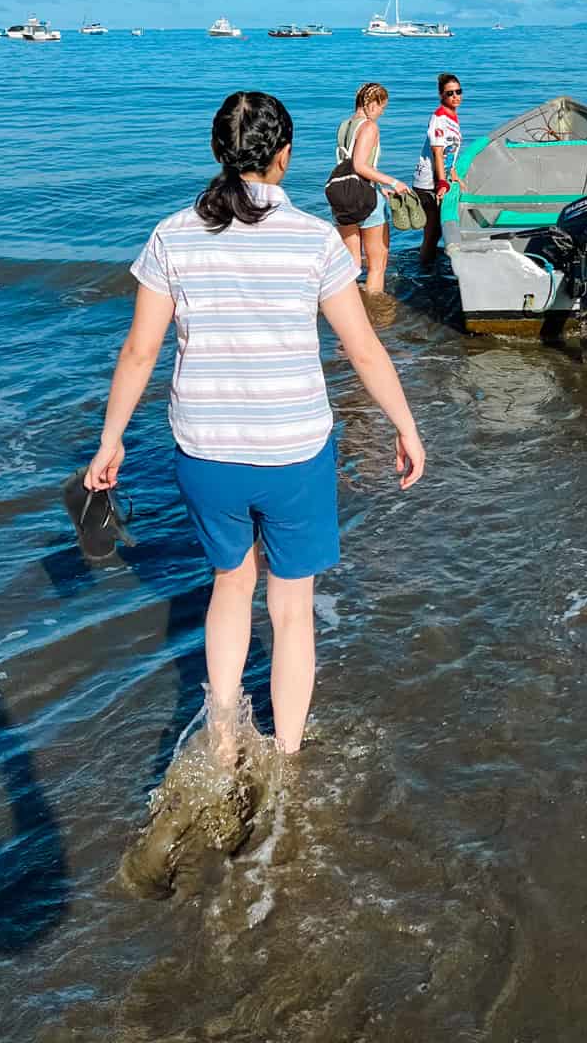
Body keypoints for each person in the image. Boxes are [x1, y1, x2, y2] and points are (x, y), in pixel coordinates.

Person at [83, 91, 425, 757]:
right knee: (292, 609)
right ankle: (289, 754)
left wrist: (111, 438)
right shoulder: (313, 240)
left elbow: (140, 350)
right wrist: (406, 427)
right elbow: (362, 346)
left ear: (219, 151)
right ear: (285, 155)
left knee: (230, 588)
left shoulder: (173, 235)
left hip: (205, 451)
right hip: (294, 449)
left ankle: (221, 738)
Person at [330, 82, 410, 293]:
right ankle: (375, 314)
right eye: (382, 107)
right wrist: (393, 182)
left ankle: (348, 306)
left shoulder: (344, 125)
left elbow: (347, 166)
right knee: (377, 266)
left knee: (352, 263)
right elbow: (359, 165)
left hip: (342, 197)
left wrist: (379, 187)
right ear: (372, 104)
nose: (381, 113)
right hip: (366, 200)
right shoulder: (369, 127)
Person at [412, 72, 463, 267]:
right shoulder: (439, 118)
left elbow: (451, 149)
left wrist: (453, 173)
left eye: (458, 91)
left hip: (438, 177)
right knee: (432, 233)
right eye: (450, 93)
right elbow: (437, 152)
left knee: (437, 232)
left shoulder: (452, 115)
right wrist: (442, 183)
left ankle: (428, 264)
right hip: (427, 183)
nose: (455, 96)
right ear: (441, 95)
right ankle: (424, 270)